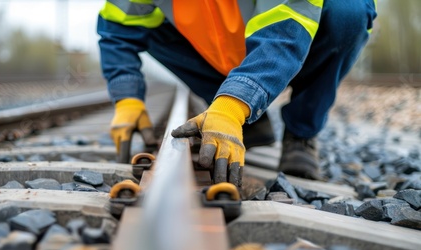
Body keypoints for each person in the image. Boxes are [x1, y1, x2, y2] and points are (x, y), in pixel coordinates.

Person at [97, 0, 377, 188]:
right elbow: (118, 26)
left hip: (289, 39)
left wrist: (233, 105)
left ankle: (301, 134)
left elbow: (285, 26)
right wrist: (127, 98)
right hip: (216, 53)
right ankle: (249, 121)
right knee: (147, 26)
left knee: (348, 11)